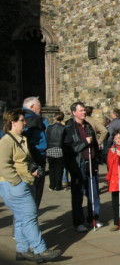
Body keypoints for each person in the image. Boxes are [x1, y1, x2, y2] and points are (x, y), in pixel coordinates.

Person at [0, 109, 62, 262]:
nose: (25, 123)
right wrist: (17, 181)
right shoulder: (6, 141)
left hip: (23, 182)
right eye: (22, 120)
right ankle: (40, 249)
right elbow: (2, 165)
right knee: (30, 217)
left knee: (22, 218)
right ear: (13, 122)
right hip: (14, 185)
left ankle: (22, 250)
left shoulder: (20, 139)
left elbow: (22, 161)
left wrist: (31, 170)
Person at [64, 101, 103, 232]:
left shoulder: (88, 126)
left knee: (94, 194)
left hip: (91, 163)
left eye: (84, 110)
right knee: (78, 195)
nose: (84, 112)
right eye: (81, 110)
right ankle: (78, 222)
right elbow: (69, 148)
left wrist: (97, 156)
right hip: (78, 166)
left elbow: (95, 144)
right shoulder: (69, 127)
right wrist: (84, 142)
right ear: (74, 112)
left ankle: (93, 218)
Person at [22, 96, 48, 208]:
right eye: (39, 106)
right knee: (34, 197)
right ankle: (31, 224)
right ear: (32, 107)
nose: (41, 109)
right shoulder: (34, 120)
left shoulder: (19, 118)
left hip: (25, 162)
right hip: (35, 162)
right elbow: (38, 144)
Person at [46, 111, 66, 191]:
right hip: (60, 149)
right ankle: (58, 186)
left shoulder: (49, 127)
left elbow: (47, 137)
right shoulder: (63, 128)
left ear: (55, 117)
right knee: (59, 168)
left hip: (50, 148)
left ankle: (52, 185)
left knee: (51, 168)